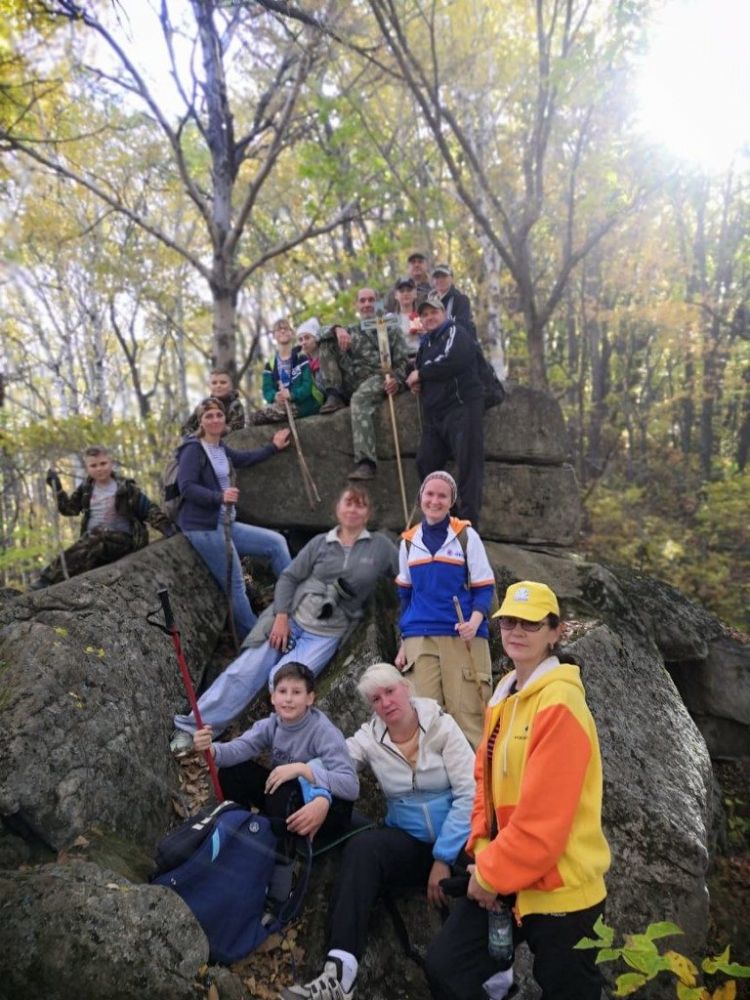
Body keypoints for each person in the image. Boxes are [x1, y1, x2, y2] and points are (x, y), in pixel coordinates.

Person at [424, 581, 611, 1000]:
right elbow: (484, 785)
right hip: (506, 877)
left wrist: (491, 874)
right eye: (509, 621)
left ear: (555, 631)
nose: (517, 631)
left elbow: (544, 820)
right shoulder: (505, 693)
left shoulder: (560, 703)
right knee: (446, 968)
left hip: (561, 891)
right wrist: (484, 854)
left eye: (531, 623)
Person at [281, 663, 476, 1000]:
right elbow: (328, 764)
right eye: (375, 698)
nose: (385, 702)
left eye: (390, 691)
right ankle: (340, 974)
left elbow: (469, 795)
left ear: (406, 688)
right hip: (409, 843)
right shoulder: (370, 738)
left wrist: (443, 859)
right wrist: (320, 796)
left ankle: (495, 978)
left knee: (488, 869)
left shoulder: (442, 726)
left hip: (460, 841)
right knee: (363, 848)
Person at [170, 486, 398, 753]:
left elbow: (406, 578)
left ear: (368, 513)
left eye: (360, 505)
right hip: (291, 619)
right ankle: (191, 729)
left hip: (324, 635)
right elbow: (289, 577)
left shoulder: (380, 547)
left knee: (284, 683)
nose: (353, 509)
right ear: (338, 509)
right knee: (243, 672)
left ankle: (260, 749)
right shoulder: (320, 543)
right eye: (348, 503)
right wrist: (281, 617)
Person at [193, 662, 359, 915]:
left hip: (327, 809)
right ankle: (243, 835)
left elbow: (350, 786)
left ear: (310, 698)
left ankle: (280, 881)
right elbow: (241, 748)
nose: (288, 699)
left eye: (297, 692)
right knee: (234, 772)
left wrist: (303, 770)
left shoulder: (323, 731)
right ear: (272, 697)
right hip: (286, 799)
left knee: (281, 789)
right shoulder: (272, 724)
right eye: (282, 691)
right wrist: (211, 749)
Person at [175, 397, 292, 642]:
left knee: (276, 543)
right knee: (236, 584)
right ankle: (255, 640)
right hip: (204, 527)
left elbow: (244, 459)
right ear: (200, 421)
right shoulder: (192, 448)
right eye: (209, 416)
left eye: (219, 415)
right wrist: (220, 497)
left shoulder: (220, 447)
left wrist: (273, 447)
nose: (215, 420)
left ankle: (294, 606)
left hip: (226, 524)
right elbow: (186, 487)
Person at [395, 471, 494, 748]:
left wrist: (474, 622)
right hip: (419, 638)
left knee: (468, 717)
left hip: (461, 635)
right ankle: (434, 775)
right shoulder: (408, 541)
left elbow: (485, 587)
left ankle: (476, 776)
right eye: (429, 494)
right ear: (421, 498)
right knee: (425, 719)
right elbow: (405, 596)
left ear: (451, 501)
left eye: (442, 496)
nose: (435, 501)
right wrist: (403, 643)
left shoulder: (466, 536)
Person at [33, 445, 175, 588]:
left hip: (123, 541)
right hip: (95, 544)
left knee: (98, 535)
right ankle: (47, 581)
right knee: (84, 550)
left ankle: (47, 579)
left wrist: (166, 527)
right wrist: (57, 489)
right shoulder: (86, 488)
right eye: (93, 465)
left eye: (103, 463)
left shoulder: (125, 487)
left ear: (111, 463)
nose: (99, 468)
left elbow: (148, 509)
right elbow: (69, 510)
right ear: (87, 468)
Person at [407, 292, 485, 527]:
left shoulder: (455, 331)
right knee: (425, 463)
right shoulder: (426, 344)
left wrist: (421, 374)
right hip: (435, 415)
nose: (429, 317)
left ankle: (468, 528)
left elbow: (454, 359)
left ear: (444, 314)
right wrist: (412, 380)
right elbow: (417, 369)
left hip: (462, 407)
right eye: (425, 314)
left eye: (434, 312)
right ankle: (448, 518)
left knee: (468, 466)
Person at [317, 287, 408, 481]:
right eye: (363, 300)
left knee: (359, 399)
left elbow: (403, 363)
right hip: (352, 378)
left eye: (371, 300)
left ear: (378, 303)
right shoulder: (351, 330)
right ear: (356, 305)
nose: (367, 304)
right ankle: (334, 395)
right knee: (327, 342)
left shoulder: (391, 328)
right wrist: (337, 329)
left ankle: (366, 462)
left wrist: (398, 382)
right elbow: (319, 334)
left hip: (379, 376)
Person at [247, 317, 323, 425]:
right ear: (273, 335)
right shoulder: (270, 364)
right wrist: (275, 396)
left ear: (292, 333)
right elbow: (267, 389)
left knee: (265, 415)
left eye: (286, 328)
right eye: (279, 329)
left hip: (305, 404)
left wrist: (291, 395)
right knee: (253, 418)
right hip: (281, 406)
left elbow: (307, 385)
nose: (282, 331)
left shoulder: (302, 358)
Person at [181, 369, 245, 436]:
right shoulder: (203, 406)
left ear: (231, 386)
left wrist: (215, 429)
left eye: (223, 382)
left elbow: (236, 430)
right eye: (214, 383)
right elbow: (186, 429)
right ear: (209, 386)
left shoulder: (235, 406)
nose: (218, 386)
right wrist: (197, 434)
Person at [432, 263, 477, 340]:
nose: (440, 280)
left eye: (444, 276)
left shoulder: (461, 300)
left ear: (452, 279)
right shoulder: (429, 303)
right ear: (433, 280)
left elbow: (462, 325)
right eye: (437, 277)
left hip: (457, 343)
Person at [392, 276, 424, 359]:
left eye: (409, 290)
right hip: (398, 360)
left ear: (415, 294)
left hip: (419, 358)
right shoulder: (389, 318)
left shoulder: (422, 316)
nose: (405, 294)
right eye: (402, 291)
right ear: (396, 295)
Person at [297, 318, 324, 396]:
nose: (303, 342)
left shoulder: (328, 356)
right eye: (300, 340)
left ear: (316, 338)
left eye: (307, 338)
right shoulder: (303, 364)